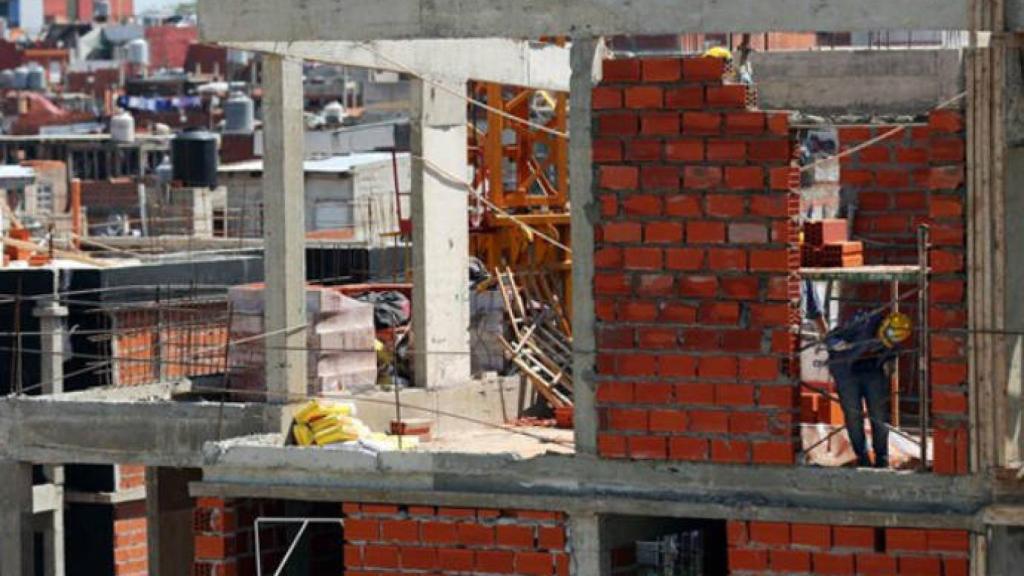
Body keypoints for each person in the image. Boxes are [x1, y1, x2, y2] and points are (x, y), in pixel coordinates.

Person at [805, 282, 903, 468]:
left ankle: (881, 458)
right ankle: (863, 457)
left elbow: (892, 342)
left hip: (871, 369)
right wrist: (836, 344)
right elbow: (826, 333)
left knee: (879, 415)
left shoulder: (880, 317)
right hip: (846, 370)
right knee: (853, 416)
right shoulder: (840, 316)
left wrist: (888, 355)